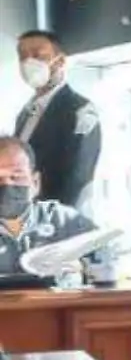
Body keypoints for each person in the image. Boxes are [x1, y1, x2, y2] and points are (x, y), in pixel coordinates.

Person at [14, 29, 102, 211]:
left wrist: (52, 222)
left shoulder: (80, 110)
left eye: (38, 55)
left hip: (55, 219)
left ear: (60, 61)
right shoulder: (25, 114)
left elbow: (78, 178)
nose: (28, 62)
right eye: (23, 56)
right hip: (22, 218)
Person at [0, 136, 98, 274]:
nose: (7, 186)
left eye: (16, 177)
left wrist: (84, 266)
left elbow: (113, 256)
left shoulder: (62, 220)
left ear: (35, 183)